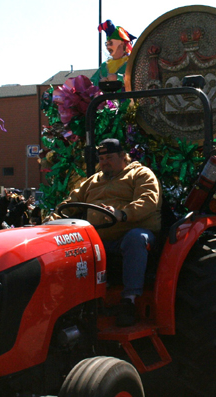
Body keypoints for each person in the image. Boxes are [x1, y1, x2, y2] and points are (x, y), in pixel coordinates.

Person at [59, 138, 161, 326]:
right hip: (99, 238)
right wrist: (50, 222)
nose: (105, 161)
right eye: (102, 158)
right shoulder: (92, 181)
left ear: (123, 157)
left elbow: (148, 201)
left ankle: (129, 301)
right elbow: (69, 204)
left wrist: (122, 214)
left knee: (135, 238)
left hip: (130, 234)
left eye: (109, 157)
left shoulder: (141, 174)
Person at [93, 20, 136, 85]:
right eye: (106, 44)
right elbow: (90, 85)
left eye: (111, 43)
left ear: (121, 43)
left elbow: (138, 81)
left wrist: (118, 78)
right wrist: (100, 83)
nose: (108, 47)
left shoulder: (132, 63)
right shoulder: (104, 66)